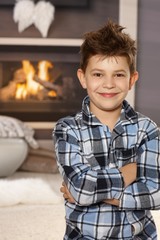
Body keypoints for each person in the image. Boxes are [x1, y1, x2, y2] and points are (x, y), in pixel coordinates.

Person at [52, 20, 160, 239]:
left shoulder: (147, 129)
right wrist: (132, 171)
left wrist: (95, 192)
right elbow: (81, 188)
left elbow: (156, 194)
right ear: (83, 78)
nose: (109, 84)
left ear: (132, 79)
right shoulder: (67, 129)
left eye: (119, 74)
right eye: (98, 74)